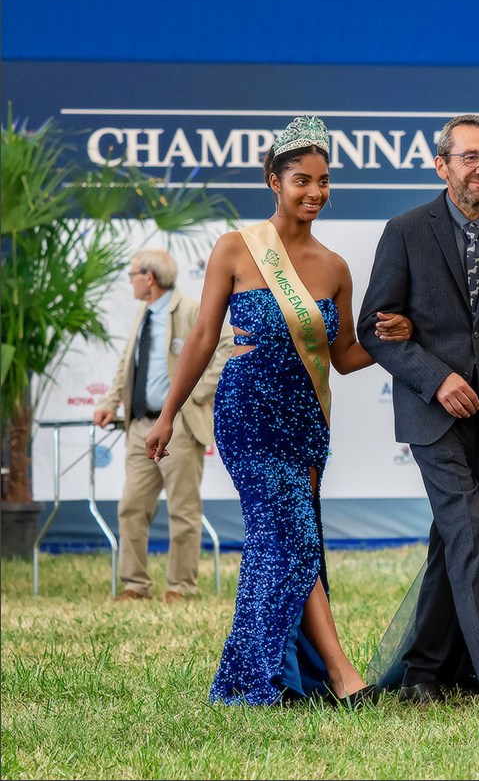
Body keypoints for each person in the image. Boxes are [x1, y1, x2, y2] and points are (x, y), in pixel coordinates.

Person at [144, 115, 412, 708]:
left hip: (307, 419)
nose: (314, 192)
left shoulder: (336, 267)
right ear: (274, 179)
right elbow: (203, 337)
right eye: (301, 180)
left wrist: (394, 337)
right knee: (287, 535)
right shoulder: (236, 248)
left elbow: (343, 358)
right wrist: (167, 414)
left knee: (296, 540)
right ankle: (334, 677)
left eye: (323, 181)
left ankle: (292, 679)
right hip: (248, 416)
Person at [357, 114, 479, 705]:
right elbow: (375, 328)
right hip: (432, 410)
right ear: (442, 165)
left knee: (453, 540)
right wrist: (436, 377)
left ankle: (421, 673)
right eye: (472, 157)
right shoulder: (404, 231)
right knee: (466, 527)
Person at [93, 248, 233, 603]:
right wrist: (111, 402)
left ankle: (180, 587)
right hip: (141, 425)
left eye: (133, 274)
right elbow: (128, 362)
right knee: (131, 506)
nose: (131, 280)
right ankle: (135, 585)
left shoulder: (189, 309)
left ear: (149, 278)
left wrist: (197, 392)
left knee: (183, 510)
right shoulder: (145, 312)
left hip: (181, 426)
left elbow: (228, 344)